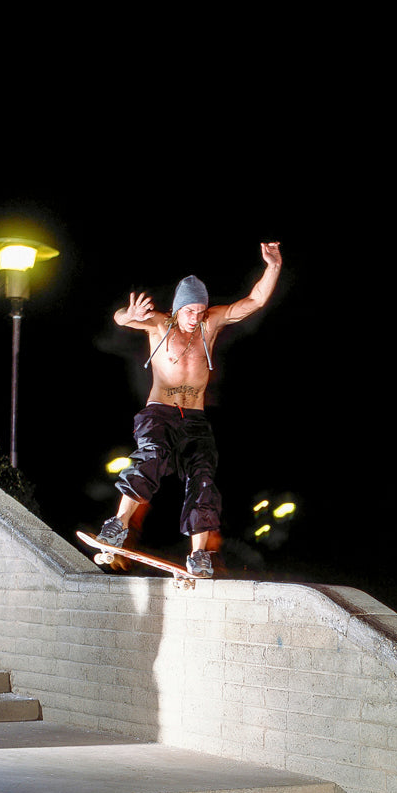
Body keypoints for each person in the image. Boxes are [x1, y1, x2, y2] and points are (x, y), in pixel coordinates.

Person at [95, 242, 283, 576]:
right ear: (177, 309)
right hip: (159, 414)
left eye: (200, 311)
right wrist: (129, 315)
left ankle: (198, 556)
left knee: (204, 480)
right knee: (150, 458)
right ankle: (117, 526)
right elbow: (120, 319)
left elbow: (253, 301)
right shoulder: (160, 324)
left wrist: (273, 267)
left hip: (195, 419)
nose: (195, 318)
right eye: (189, 312)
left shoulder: (210, 324)